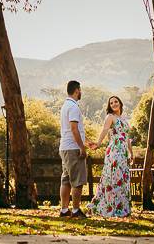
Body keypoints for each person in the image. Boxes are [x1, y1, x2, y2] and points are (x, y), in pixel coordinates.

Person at [87, 95, 133, 217]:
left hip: (123, 153)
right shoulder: (110, 117)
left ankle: (121, 208)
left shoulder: (124, 119)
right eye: (111, 103)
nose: (114, 104)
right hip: (115, 151)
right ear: (109, 106)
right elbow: (104, 130)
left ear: (120, 103)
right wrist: (98, 143)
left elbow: (127, 137)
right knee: (113, 177)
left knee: (122, 178)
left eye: (116, 102)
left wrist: (131, 152)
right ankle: (108, 206)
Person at [59, 80, 87, 218]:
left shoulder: (65, 106)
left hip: (64, 147)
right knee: (77, 180)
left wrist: (87, 141)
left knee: (66, 179)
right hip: (73, 148)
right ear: (77, 90)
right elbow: (74, 129)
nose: (81, 92)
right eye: (80, 90)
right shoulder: (74, 107)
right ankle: (76, 210)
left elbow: (74, 131)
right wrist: (82, 147)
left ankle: (64, 210)